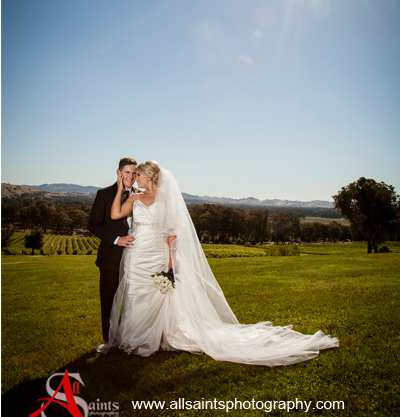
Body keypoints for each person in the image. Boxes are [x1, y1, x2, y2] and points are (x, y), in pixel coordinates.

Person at [99, 161, 339, 366]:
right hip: (137, 252)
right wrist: (121, 187)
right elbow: (115, 215)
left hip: (157, 254)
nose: (135, 179)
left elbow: (172, 234)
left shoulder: (165, 200)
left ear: (149, 177)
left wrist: (171, 262)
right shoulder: (135, 198)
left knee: (157, 294)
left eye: (138, 175)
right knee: (135, 293)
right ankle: (133, 336)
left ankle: (152, 338)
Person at [88, 157, 137, 346]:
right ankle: (109, 340)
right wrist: (117, 240)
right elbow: (93, 225)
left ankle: (128, 335)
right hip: (111, 257)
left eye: (134, 173)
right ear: (118, 173)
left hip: (136, 258)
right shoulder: (104, 194)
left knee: (132, 301)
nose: (131, 177)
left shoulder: (139, 195)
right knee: (108, 301)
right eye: (127, 172)